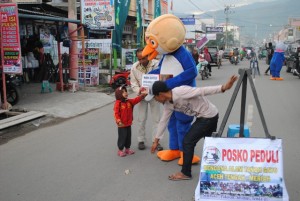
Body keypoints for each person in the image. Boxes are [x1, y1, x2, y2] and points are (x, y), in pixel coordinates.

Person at [150, 75, 238, 180]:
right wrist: (156, 141)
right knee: (210, 143)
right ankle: (223, 166)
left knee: (187, 142)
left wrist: (223, 87)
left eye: (155, 98)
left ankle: (185, 173)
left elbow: (202, 91)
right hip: (207, 116)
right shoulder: (168, 104)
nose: (156, 100)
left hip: (208, 116)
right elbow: (163, 121)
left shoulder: (180, 91)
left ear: (160, 95)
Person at [130, 48, 163, 151]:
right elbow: (133, 83)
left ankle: (156, 141)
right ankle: (141, 140)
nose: (142, 61)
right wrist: (139, 91)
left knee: (156, 119)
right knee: (141, 119)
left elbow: (162, 77)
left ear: (148, 56)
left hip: (154, 96)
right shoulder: (134, 67)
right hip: (142, 96)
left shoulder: (156, 64)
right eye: (139, 59)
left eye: (144, 58)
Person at [113, 85, 147, 157]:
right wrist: (119, 121)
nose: (126, 93)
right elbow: (116, 113)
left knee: (128, 137)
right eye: (123, 92)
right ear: (119, 94)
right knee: (122, 137)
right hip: (121, 125)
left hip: (128, 124)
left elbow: (135, 100)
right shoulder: (118, 103)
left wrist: (142, 95)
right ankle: (120, 150)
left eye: (126, 91)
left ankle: (127, 149)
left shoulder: (129, 102)